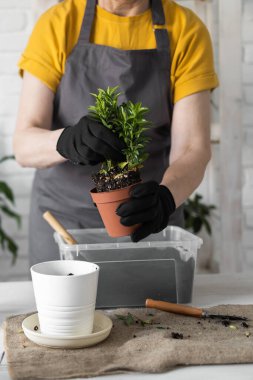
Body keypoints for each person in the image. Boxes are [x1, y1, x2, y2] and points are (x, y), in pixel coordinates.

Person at [13, 0, 218, 266]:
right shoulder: (59, 23)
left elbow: (193, 147)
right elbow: (23, 144)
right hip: (63, 227)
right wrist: (65, 140)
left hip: (147, 223)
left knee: (152, 309)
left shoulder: (185, 29)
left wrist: (166, 197)